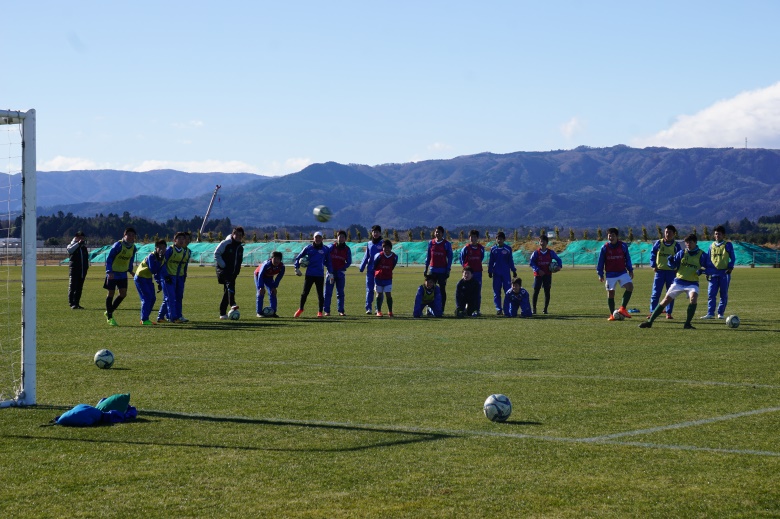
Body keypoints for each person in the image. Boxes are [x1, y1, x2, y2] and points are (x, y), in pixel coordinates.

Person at [640, 233, 714, 329]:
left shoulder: (702, 255)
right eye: (687, 243)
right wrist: (670, 261)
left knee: (693, 298)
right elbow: (673, 266)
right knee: (665, 300)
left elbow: (711, 268)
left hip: (692, 283)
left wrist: (702, 271)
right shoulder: (682, 253)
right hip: (679, 281)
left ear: (695, 243)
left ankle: (687, 323)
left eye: (690, 242)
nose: (688, 245)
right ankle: (649, 322)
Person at [596, 227, 634, 321]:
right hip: (610, 274)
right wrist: (600, 274)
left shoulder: (623, 246)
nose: (611, 238)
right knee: (611, 293)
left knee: (630, 286)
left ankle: (622, 308)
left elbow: (627, 258)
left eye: (613, 236)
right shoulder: (604, 248)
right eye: (609, 236)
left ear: (617, 236)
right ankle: (612, 314)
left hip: (622, 272)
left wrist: (630, 270)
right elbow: (600, 262)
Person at [103, 227, 138, 326]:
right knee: (111, 293)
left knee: (123, 294)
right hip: (113, 273)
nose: (131, 237)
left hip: (122, 273)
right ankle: (110, 317)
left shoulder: (133, 247)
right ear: (124, 235)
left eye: (133, 235)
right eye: (129, 235)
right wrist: (109, 271)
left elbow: (130, 260)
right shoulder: (118, 245)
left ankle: (109, 311)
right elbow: (110, 258)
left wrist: (131, 270)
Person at [293, 231, 332, 318]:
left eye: (319, 237)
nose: (317, 239)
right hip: (310, 274)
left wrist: (331, 273)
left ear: (322, 239)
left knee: (320, 294)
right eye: (316, 237)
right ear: (313, 238)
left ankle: (320, 312)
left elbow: (329, 262)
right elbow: (298, 257)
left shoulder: (325, 249)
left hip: (320, 275)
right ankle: (301, 309)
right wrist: (296, 268)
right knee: (304, 293)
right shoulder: (308, 248)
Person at [701, 225, 736, 320]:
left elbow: (732, 257)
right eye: (716, 234)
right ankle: (710, 313)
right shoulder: (711, 246)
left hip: (724, 273)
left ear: (723, 235)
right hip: (713, 273)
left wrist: (730, 267)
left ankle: (720, 313)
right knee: (711, 294)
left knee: (723, 294)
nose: (717, 236)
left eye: (719, 234)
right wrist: (707, 271)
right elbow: (708, 260)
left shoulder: (727, 245)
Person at [649, 225, 681, 320]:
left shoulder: (676, 245)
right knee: (655, 293)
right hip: (660, 272)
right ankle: (653, 312)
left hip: (671, 273)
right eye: (666, 232)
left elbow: (679, 258)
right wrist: (653, 265)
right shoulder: (659, 243)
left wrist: (677, 268)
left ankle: (668, 313)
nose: (668, 234)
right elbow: (653, 254)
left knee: (670, 294)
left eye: (670, 232)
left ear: (674, 234)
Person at [134, 239, 167, 325]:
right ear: (156, 248)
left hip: (147, 278)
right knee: (147, 298)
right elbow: (153, 270)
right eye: (160, 247)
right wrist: (159, 260)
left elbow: (158, 272)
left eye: (164, 247)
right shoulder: (151, 256)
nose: (162, 249)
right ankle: (144, 319)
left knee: (153, 298)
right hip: (140, 277)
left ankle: (145, 319)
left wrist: (159, 282)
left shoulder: (162, 258)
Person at [158, 232, 189, 324]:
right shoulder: (169, 250)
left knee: (177, 297)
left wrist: (183, 276)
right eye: (179, 238)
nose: (181, 240)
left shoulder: (185, 251)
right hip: (168, 277)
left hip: (178, 277)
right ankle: (173, 317)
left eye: (183, 239)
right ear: (174, 240)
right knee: (170, 297)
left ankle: (162, 316)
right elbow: (162, 263)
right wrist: (165, 276)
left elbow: (183, 266)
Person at [215, 226, 245, 320]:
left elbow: (239, 260)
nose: (238, 236)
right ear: (233, 234)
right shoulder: (226, 243)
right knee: (230, 285)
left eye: (240, 235)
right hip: (223, 270)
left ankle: (223, 313)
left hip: (233, 272)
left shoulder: (240, 247)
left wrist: (237, 270)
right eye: (236, 234)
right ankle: (232, 303)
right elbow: (216, 254)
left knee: (227, 291)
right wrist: (223, 265)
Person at [529, 235, 562, 315]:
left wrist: (559, 266)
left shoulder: (551, 252)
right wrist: (538, 270)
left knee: (547, 291)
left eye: (544, 241)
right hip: (538, 275)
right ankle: (534, 309)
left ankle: (545, 309)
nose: (542, 243)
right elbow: (531, 263)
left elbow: (558, 259)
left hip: (547, 274)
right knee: (536, 291)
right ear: (539, 242)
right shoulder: (536, 253)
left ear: (547, 243)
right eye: (541, 241)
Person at [424, 226, 454, 313]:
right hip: (433, 270)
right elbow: (428, 256)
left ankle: (441, 308)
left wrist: (448, 269)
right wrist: (426, 268)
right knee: (430, 289)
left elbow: (450, 257)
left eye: (439, 232)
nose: (437, 233)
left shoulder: (446, 244)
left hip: (442, 271)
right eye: (436, 232)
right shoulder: (431, 243)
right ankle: (429, 308)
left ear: (442, 233)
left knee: (442, 290)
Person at [488, 231, 517, 315]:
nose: (499, 240)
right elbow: (491, 261)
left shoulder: (508, 249)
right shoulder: (493, 249)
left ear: (504, 239)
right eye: (497, 239)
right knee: (496, 292)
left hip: (506, 274)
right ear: (496, 239)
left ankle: (508, 308)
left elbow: (510, 261)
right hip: (496, 274)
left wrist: (513, 270)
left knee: (508, 291)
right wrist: (490, 271)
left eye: (501, 239)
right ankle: (498, 309)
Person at [324, 230, 352, 316]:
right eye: (339, 236)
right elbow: (324, 259)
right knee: (327, 292)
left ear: (345, 238)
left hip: (340, 274)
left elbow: (349, 262)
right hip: (330, 273)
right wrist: (329, 268)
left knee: (340, 293)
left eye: (343, 237)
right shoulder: (331, 247)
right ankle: (327, 311)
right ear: (337, 237)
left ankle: (341, 311)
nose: (341, 238)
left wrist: (343, 268)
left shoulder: (347, 249)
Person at [459, 229, 485, 316]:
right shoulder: (466, 248)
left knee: (477, 292)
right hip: (467, 274)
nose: (472, 239)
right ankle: (463, 308)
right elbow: (462, 259)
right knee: (464, 291)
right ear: (469, 238)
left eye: (474, 237)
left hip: (477, 273)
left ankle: (477, 309)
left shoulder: (481, 248)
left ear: (477, 238)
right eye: (471, 237)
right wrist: (466, 269)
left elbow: (481, 258)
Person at [359, 225, 384, 314]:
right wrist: (362, 267)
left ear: (380, 233)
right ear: (372, 233)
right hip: (370, 270)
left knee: (378, 290)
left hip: (380, 271)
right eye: (374, 232)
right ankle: (368, 308)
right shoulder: (369, 243)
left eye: (377, 232)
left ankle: (378, 308)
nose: (375, 233)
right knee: (369, 290)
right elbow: (366, 256)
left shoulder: (383, 243)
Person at [254, 251, 285, 317]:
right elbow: (260, 275)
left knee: (273, 292)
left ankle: (273, 312)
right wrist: (261, 287)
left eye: (278, 259)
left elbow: (279, 277)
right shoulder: (266, 264)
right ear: (271, 258)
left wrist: (274, 286)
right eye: (275, 259)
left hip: (269, 277)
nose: (276, 261)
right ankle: (259, 312)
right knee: (260, 293)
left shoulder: (282, 267)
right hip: (259, 275)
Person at [373, 239, 398, 317]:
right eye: (385, 247)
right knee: (379, 294)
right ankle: (379, 311)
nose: (386, 249)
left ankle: (390, 311)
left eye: (388, 247)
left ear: (391, 248)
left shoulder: (394, 257)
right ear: (382, 248)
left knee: (388, 294)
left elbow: (392, 266)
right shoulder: (379, 256)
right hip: (378, 278)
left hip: (388, 278)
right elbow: (374, 265)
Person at [67, 230, 89, 309]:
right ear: (76, 237)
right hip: (74, 269)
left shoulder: (83, 248)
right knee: (72, 286)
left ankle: (77, 303)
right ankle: (72, 303)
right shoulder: (71, 245)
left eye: (82, 237)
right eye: (79, 237)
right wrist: (78, 244)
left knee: (79, 287)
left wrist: (86, 268)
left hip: (82, 270)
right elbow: (70, 250)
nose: (81, 239)